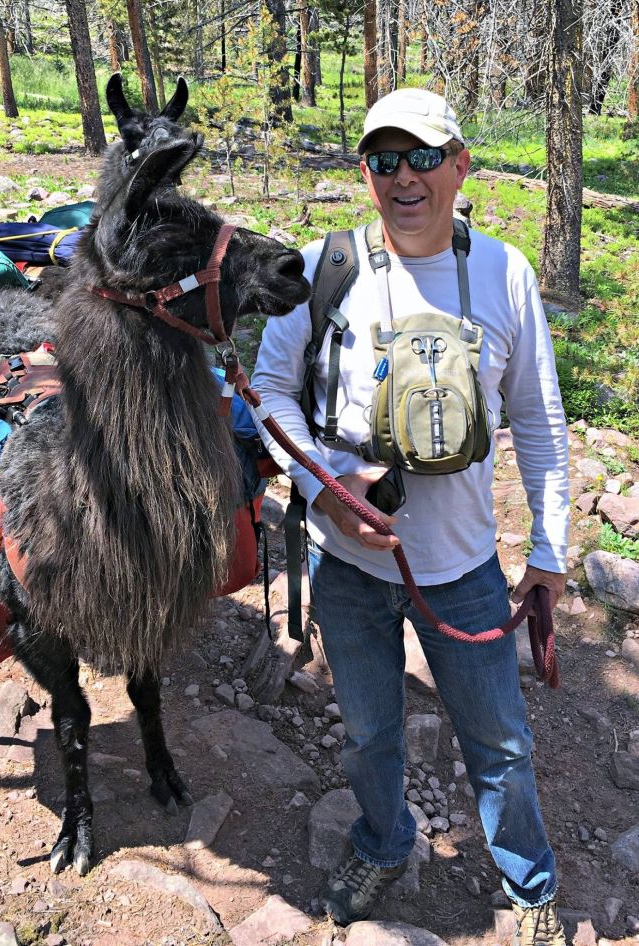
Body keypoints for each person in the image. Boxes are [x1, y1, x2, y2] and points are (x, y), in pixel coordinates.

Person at [251, 87, 570, 944]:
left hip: (462, 566)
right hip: (346, 566)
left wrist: (549, 548)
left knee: (498, 743)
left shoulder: (504, 273)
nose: (404, 177)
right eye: (384, 160)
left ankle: (528, 884)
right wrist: (328, 487)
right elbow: (269, 391)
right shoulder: (327, 270)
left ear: (459, 165)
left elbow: (538, 418)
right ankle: (385, 842)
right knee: (366, 735)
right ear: (365, 173)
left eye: (423, 157)